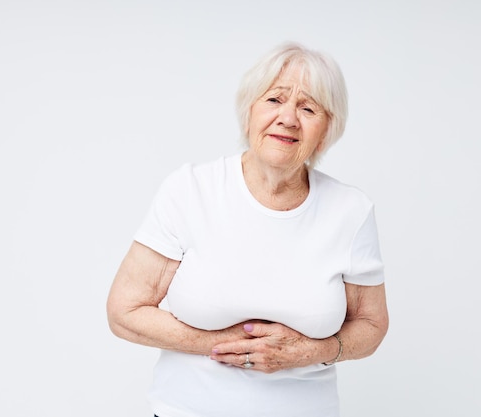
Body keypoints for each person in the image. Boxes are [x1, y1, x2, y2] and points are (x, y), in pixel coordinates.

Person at [107, 42, 389, 417]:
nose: (288, 118)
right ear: (248, 114)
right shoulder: (190, 190)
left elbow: (371, 325)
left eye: (308, 108)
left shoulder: (350, 211)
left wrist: (307, 351)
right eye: (274, 99)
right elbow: (124, 312)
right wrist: (231, 343)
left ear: (326, 132)